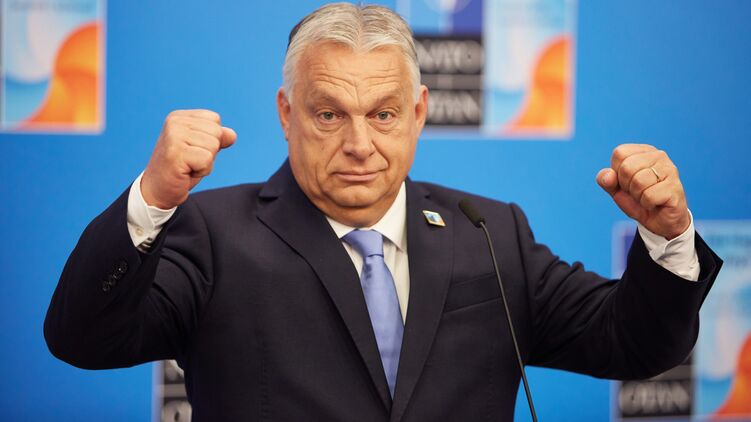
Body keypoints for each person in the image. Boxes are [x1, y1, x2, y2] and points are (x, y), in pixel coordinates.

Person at [44, 3, 722, 421]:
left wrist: (667, 239)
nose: (359, 144)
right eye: (329, 114)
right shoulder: (212, 233)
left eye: (383, 114)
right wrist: (153, 199)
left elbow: (636, 345)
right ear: (286, 114)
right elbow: (83, 340)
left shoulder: (490, 234)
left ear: (419, 112)